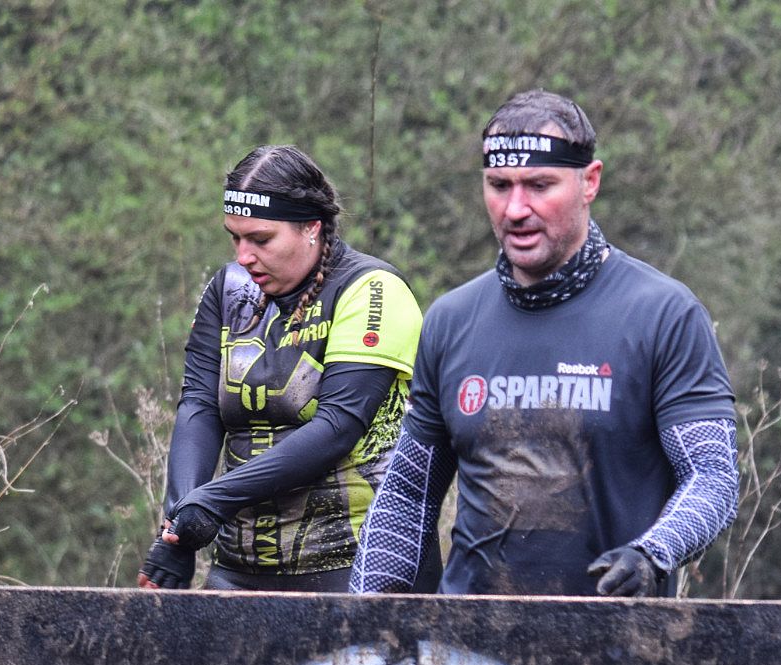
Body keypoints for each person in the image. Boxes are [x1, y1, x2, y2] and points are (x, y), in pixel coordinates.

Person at [351, 90, 738, 597]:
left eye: (539, 185)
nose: (516, 209)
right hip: (470, 635)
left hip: (613, 630)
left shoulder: (664, 314)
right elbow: (406, 496)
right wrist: (361, 617)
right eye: (499, 185)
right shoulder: (450, 320)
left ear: (589, 182)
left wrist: (653, 553)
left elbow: (713, 478)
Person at [137, 144, 437, 592]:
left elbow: (337, 427)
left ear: (311, 228)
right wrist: (181, 525)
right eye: (235, 238)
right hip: (240, 563)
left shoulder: (373, 289)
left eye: (261, 240)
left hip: (357, 559)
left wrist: (212, 502)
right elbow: (199, 403)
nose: (244, 255)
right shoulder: (229, 289)